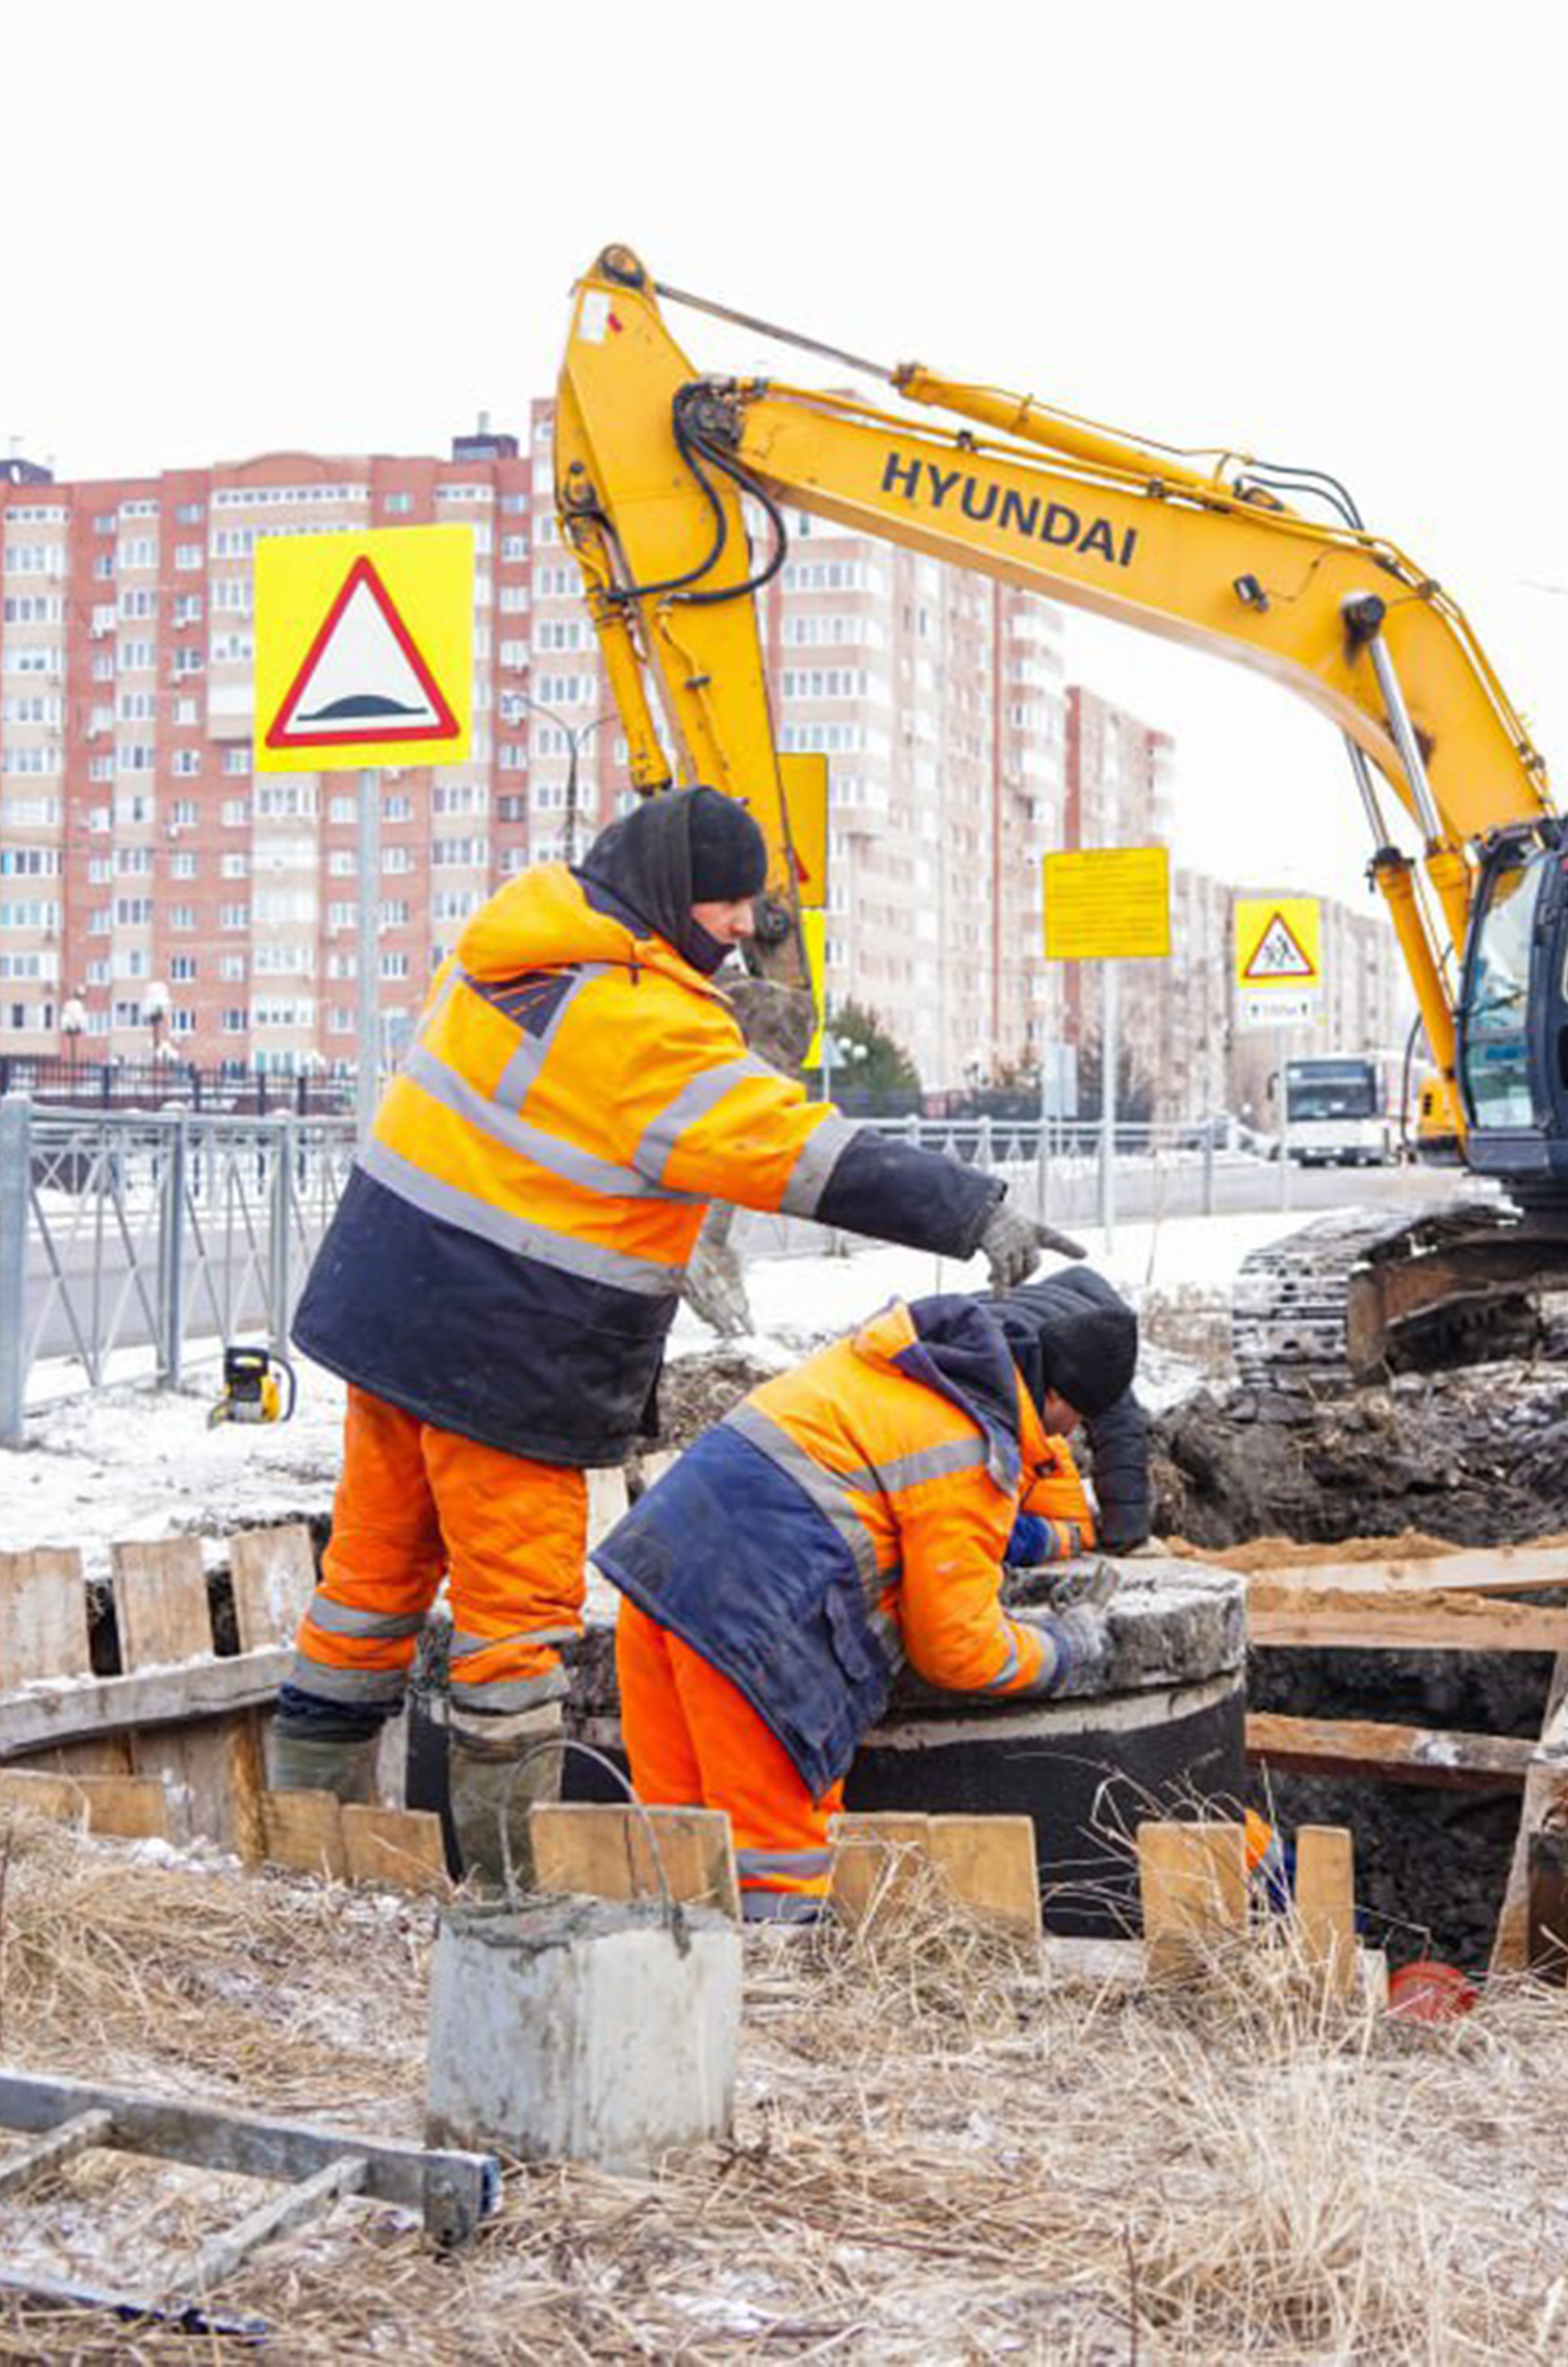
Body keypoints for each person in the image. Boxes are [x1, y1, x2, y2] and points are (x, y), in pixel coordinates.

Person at [272, 784, 1075, 1890]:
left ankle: (309, 1851)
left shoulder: (518, 950)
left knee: (369, 1580)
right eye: (729, 902)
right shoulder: (642, 1023)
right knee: (514, 1632)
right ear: (668, 895)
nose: (745, 925)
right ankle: (509, 1901)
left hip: (391, 1325)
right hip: (507, 1354)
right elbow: (792, 1149)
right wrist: (969, 1209)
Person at [595, 1267, 1146, 1918]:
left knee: (679, 1844)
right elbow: (957, 1649)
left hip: (658, 1579)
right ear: (1060, 1401)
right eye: (1073, 1423)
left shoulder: (899, 1367)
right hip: (749, 1624)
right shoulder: (967, 1447)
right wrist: (1062, 1649)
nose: (1065, 1439)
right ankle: (780, 1999)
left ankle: (671, 1990)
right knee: (776, 1862)